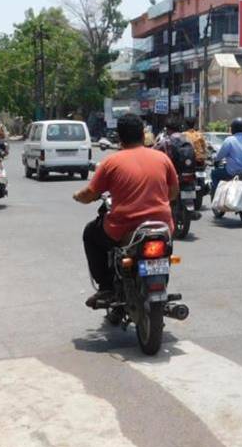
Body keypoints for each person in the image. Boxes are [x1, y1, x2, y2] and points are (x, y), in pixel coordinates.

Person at [73, 114, 179, 307]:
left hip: (124, 228)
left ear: (119, 138)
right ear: (142, 134)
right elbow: (173, 193)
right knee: (165, 252)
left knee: (90, 233)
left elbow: (89, 194)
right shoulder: (162, 159)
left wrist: (77, 196)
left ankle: (106, 287)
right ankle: (160, 283)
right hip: (162, 226)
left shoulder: (111, 162)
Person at [211, 118, 242, 195]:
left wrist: (215, 159)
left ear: (233, 129)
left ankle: (216, 197)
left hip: (232, 172)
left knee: (214, 173)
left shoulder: (229, 140)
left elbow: (219, 156)